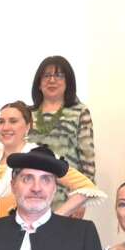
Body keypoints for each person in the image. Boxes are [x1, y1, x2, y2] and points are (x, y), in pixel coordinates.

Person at [0, 101, 104, 223]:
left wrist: (56, 217)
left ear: (28, 126)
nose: (6, 127)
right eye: (1, 122)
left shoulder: (39, 155)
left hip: (25, 234)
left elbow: (86, 186)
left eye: (13, 121)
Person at [28, 56, 95, 184]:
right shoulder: (27, 113)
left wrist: (85, 192)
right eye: (46, 76)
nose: (52, 80)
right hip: (31, 190)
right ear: (39, 84)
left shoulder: (80, 112)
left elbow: (88, 159)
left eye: (59, 75)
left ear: (68, 82)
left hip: (67, 193)